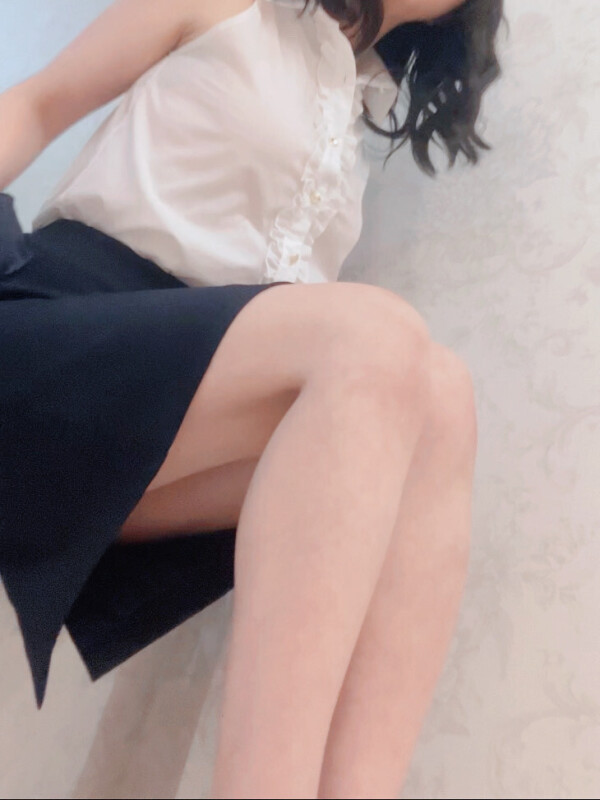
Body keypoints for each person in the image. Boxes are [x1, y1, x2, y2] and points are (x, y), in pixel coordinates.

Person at [0, 0, 503, 796]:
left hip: (163, 429)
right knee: (373, 340)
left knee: (442, 401)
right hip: (56, 341)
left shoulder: (351, 100)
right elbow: (35, 103)